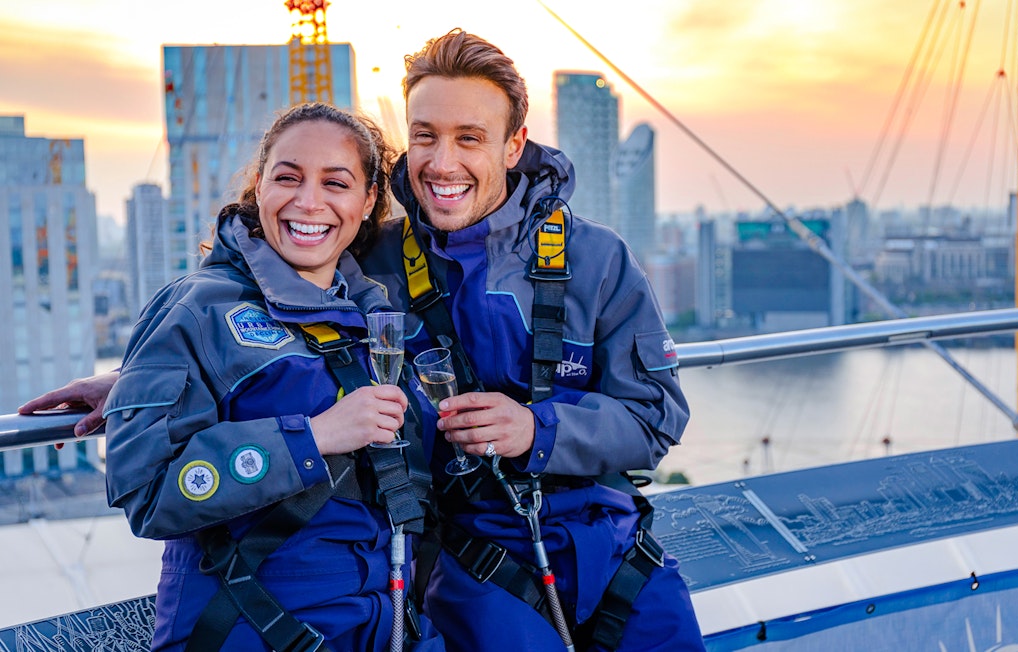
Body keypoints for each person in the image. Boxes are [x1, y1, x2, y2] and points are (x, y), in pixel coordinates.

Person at [21, 29, 706, 652]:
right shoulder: (372, 255)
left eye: (469, 137)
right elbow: (275, 325)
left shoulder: (593, 259)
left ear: (513, 144)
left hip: (607, 545)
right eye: (426, 136)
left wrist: (537, 428)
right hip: (468, 562)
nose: (441, 162)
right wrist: (145, 385)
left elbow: (654, 415)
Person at [41, 103, 443, 651]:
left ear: (368, 199)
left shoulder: (374, 317)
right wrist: (314, 436)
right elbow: (148, 490)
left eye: (336, 182)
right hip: (253, 626)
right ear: (259, 186)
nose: (309, 201)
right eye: (288, 177)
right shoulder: (197, 308)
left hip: (380, 620)